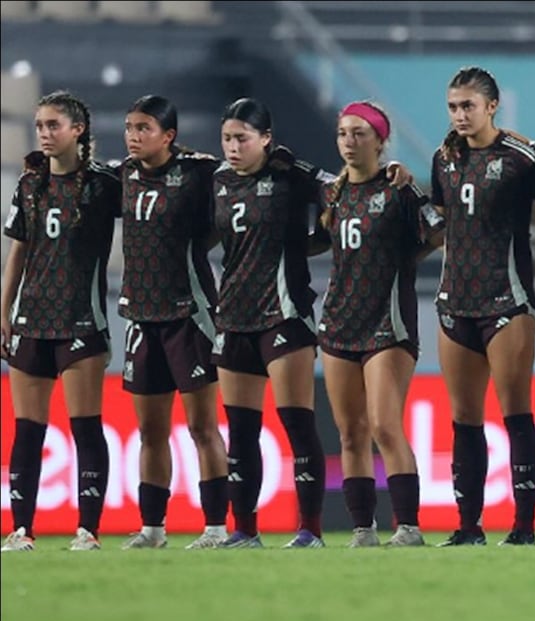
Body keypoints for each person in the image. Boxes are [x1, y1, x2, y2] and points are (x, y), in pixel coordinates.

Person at [313, 101, 443, 547]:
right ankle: (363, 530)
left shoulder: (399, 190)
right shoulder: (331, 193)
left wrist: (404, 260)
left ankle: (407, 527)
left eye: (360, 134)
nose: (349, 142)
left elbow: (437, 230)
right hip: (338, 322)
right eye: (343, 133)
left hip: (388, 324)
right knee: (350, 433)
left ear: (381, 141)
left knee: (385, 425)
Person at [431, 66, 535, 546]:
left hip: (508, 301)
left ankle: (523, 527)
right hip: (455, 302)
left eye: (468, 106)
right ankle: (468, 528)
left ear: (492, 106)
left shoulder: (522, 158)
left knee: (515, 412)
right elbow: (442, 219)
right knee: (464, 419)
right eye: (454, 107)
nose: (460, 115)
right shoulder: (444, 158)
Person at [210, 98, 332, 548]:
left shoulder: (289, 174)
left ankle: (310, 530)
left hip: (284, 314)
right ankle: (244, 529)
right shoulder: (218, 181)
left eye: (242, 138)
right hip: (235, 315)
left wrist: (308, 242)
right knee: (241, 430)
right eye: (227, 138)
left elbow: (341, 192)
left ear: (266, 139)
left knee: (297, 424)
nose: (233, 146)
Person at [1, 91, 120, 552]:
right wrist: (4, 311)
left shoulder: (103, 185)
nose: (46, 134)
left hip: (80, 321)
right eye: (40, 126)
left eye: (54, 125)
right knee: (27, 431)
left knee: (85, 427)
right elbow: (18, 253)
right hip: (31, 320)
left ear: (78, 130)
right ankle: (20, 530)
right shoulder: (29, 185)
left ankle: (87, 530)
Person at [114, 95, 229, 550]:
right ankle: (152, 530)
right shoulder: (121, 174)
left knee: (203, 427)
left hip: (190, 313)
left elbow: (244, 176)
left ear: (169, 135)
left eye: (144, 128)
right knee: (150, 431)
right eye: (129, 127)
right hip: (141, 315)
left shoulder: (200, 171)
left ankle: (217, 528)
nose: (133, 136)